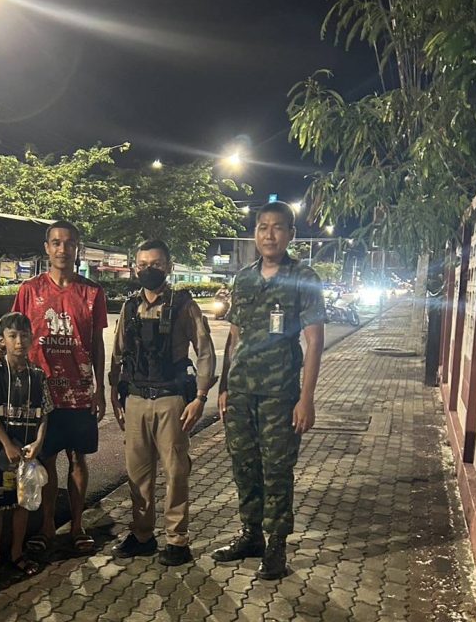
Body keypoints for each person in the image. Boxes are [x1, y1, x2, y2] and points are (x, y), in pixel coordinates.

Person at [212, 201, 325, 579]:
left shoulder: (303, 277)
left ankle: (276, 544)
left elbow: (314, 340)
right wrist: (224, 386)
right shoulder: (244, 279)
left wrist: (306, 398)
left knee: (277, 470)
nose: (269, 234)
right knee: (244, 466)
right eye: (263, 227)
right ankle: (251, 535)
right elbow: (234, 336)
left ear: (291, 234)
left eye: (277, 227)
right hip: (241, 392)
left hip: (280, 394)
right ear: (255, 233)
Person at [109, 240, 216, 566]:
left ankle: (177, 540)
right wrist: (114, 392)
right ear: (135, 268)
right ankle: (142, 535)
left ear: (168, 266)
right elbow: (118, 353)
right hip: (136, 400)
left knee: (176, 473)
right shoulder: (130, 307)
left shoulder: (183, 305)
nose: (148, 270)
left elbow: (205, 351)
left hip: (172, 401)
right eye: (142, 264)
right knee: (137, 476)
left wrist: (200, 398)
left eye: (155, 264)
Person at [11, 220, 108, 554]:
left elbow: (96, 344)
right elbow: (14, 336)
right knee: (47, 461)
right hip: (43, 393)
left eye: (69, 243)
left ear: (77, 248)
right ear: (47, 248)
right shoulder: (29, 290)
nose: (62, 249)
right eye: (56, 242)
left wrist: (100, 388)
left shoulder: (92, 293)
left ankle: (78, 525)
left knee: (79, 460)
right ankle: (48, 526)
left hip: (79, 392)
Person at [0, 312, 54, 580]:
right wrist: (7, 443)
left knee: (22, 503)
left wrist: (38, 442)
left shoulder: (38, 375)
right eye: (12, 336)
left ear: (32, 338)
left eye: (24, 335)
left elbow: (45, 413)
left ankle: (17, 553)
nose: (19, 341)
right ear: (3, 340)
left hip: (27, 452)